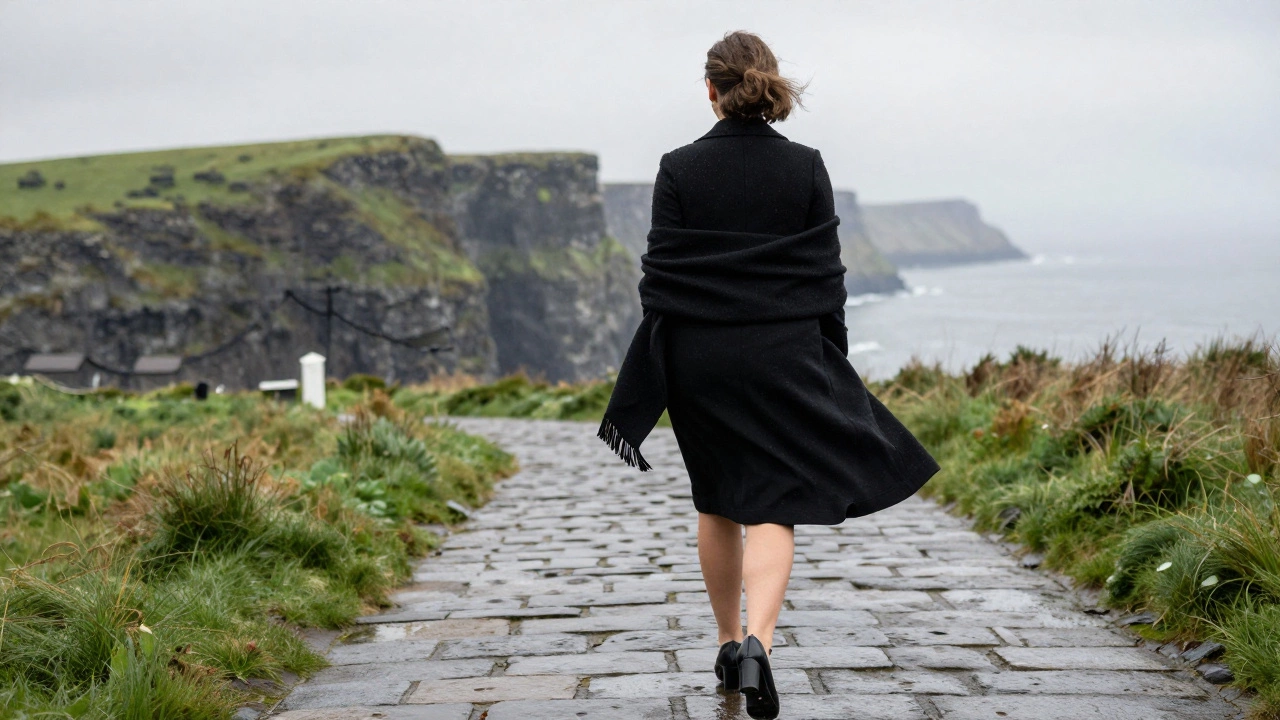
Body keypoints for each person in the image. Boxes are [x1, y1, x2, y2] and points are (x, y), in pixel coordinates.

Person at [598, 31, 940, 719]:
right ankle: (760, 644)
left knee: (717, 499)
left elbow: (661, 281)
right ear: (769, 85)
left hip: (700, 358)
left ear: (711, 91)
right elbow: (825, 281)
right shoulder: (808, 167)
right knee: (773, 501)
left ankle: (727, 644)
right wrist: (828, 359)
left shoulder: (677, 168)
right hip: (782, 355)